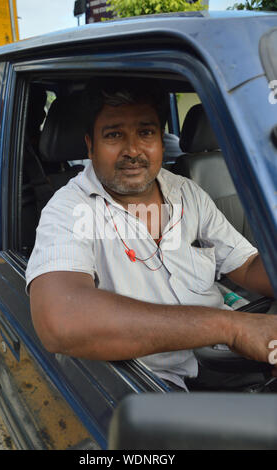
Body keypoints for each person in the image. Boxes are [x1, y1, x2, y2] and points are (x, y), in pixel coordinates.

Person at [26, 78, 275, 392]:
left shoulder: (186, 192)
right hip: (152, 385)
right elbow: (61, 319)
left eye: (146, 132)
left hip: (220, 357)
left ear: (161, 138)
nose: (132, 150)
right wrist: (232, 327)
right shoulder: (68, 210)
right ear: (90, 145)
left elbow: (247, 264)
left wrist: (237, 331)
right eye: (114, 134)